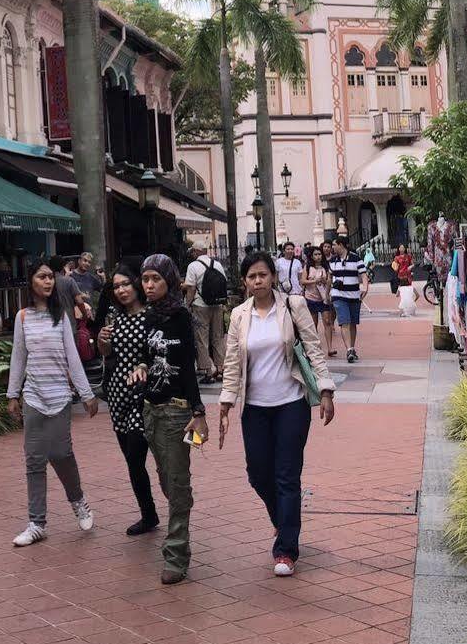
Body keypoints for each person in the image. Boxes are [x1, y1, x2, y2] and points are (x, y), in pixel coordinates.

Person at [216, 251, 336, 577]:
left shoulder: (292, 306)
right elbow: (231, 363)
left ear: (273, 276)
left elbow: (313, 349)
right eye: (252, 276)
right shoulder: (240, 315)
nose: (258, 281)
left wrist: (325, 390)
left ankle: (286, 550)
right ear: (245, 281)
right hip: (254, 407)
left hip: (291, 404)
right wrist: (226, 403)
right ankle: (281, 520)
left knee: (286, 476)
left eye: (263, 275)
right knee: (258, 474)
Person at [5, 261, 99, 547]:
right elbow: (19, 358)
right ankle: (37, 523)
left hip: (59, 397)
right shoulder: (22, 318)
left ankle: (78, 500)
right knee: (34, 459)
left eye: (51, 277)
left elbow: (72, 357)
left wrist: (87, 394)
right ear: (30, 282)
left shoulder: (61, 317)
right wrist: (12, 395)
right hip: (33, 396)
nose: (48, 282)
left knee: (60, 453)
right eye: (42, 277)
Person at [134, 253, 205, 583]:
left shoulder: (180, 316)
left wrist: (198, 411)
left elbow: (188, 369)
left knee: (176, 483)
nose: (148, 285)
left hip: (177, 411)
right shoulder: (148, 316)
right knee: (165, 477)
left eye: (155, 280)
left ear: (169, 282)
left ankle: (176, 554)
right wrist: (142, 368)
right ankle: (182, 500)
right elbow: (147, 357)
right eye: (145, 280)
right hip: (150, 410)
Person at [94, 266, 160, 537]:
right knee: (132, 461)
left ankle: (165, 506)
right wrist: (101, 342)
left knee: (137, 450)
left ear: (136, 285)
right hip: (119, 391)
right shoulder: (115, 318)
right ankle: (148, 514)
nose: (121, 290)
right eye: (116, 286)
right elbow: (108, 354)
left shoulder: (152, 316)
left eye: (125, 284)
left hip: (146, 393)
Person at [182, 246, 229, 383]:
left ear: (196, 251)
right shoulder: (217, 264)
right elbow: (223, 283)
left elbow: (190, 287)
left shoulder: (193, 265)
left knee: (202, 338)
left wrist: (188, 304)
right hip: (217, 305)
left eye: (193, 251)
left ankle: (208, 371)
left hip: (200, 305)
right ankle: (221, 369)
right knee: (218, 337)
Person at [329, 243, 367, 363]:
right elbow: (329, 279)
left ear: (341, 245)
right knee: (344, 322)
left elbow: (364, 275)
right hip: (338, 295)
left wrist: (365, 287)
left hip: (354, 295)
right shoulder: (332, 260)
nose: (332, 247)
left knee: (352, 323)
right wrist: (327, 294)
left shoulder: (356, 258)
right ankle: (349, 349)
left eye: (334, 245)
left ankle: (352, 348)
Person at [303, 244, 337, 357]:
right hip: (311, 298)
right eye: (315, 254)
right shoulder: (308, 267)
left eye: (319, 254)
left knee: (327, 321)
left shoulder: (325, 268)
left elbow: (329, 282)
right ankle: (314, 347)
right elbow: (302, 281)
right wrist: (313, 281)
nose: (318, 256)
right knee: (314, 324)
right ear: (312, 257)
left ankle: (330, 348)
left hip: (324, 298)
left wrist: (324, 280)